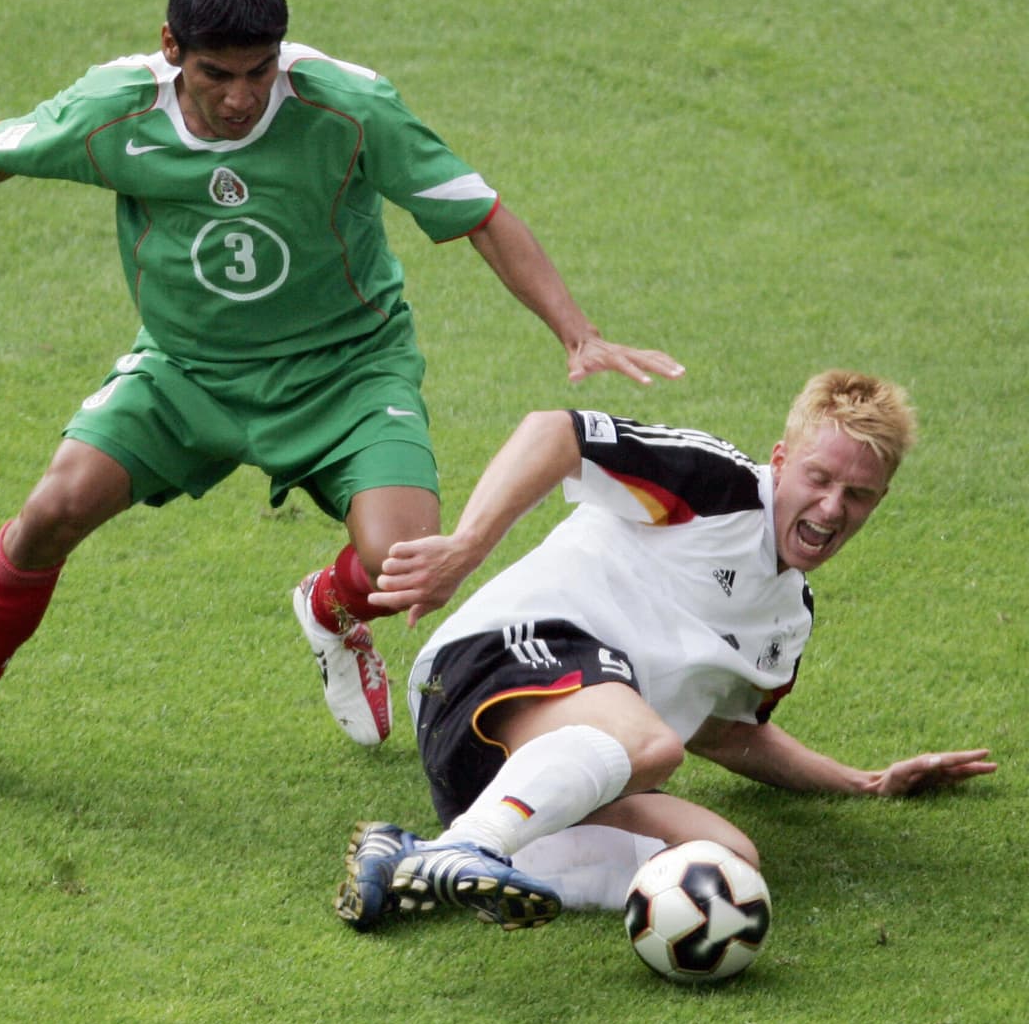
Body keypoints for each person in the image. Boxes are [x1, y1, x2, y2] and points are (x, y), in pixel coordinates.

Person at [0, 0, 683, 794]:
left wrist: (577, 333)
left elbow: (479, 212)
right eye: (217, 75)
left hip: (347, 372)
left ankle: (332, 609)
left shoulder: (349, 109)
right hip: (187, 373)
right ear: (172, 49)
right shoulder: (114, 110)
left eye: (259, 71)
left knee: (405, 566)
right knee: (50, 511)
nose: (242, 98)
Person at [333, 369, 997, 931]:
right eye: (818, 478)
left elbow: (726, 733)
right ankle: (476, 844)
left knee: (725, 861)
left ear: (880, 499)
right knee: (650, 745)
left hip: (519, 776)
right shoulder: (714, 484)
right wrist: (466, 547)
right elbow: (555, 432)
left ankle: (413, 858)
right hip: (486, 665)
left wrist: (867, 782)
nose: (830, 507)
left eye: (857, 494)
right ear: (781, 459)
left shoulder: (790, 619)